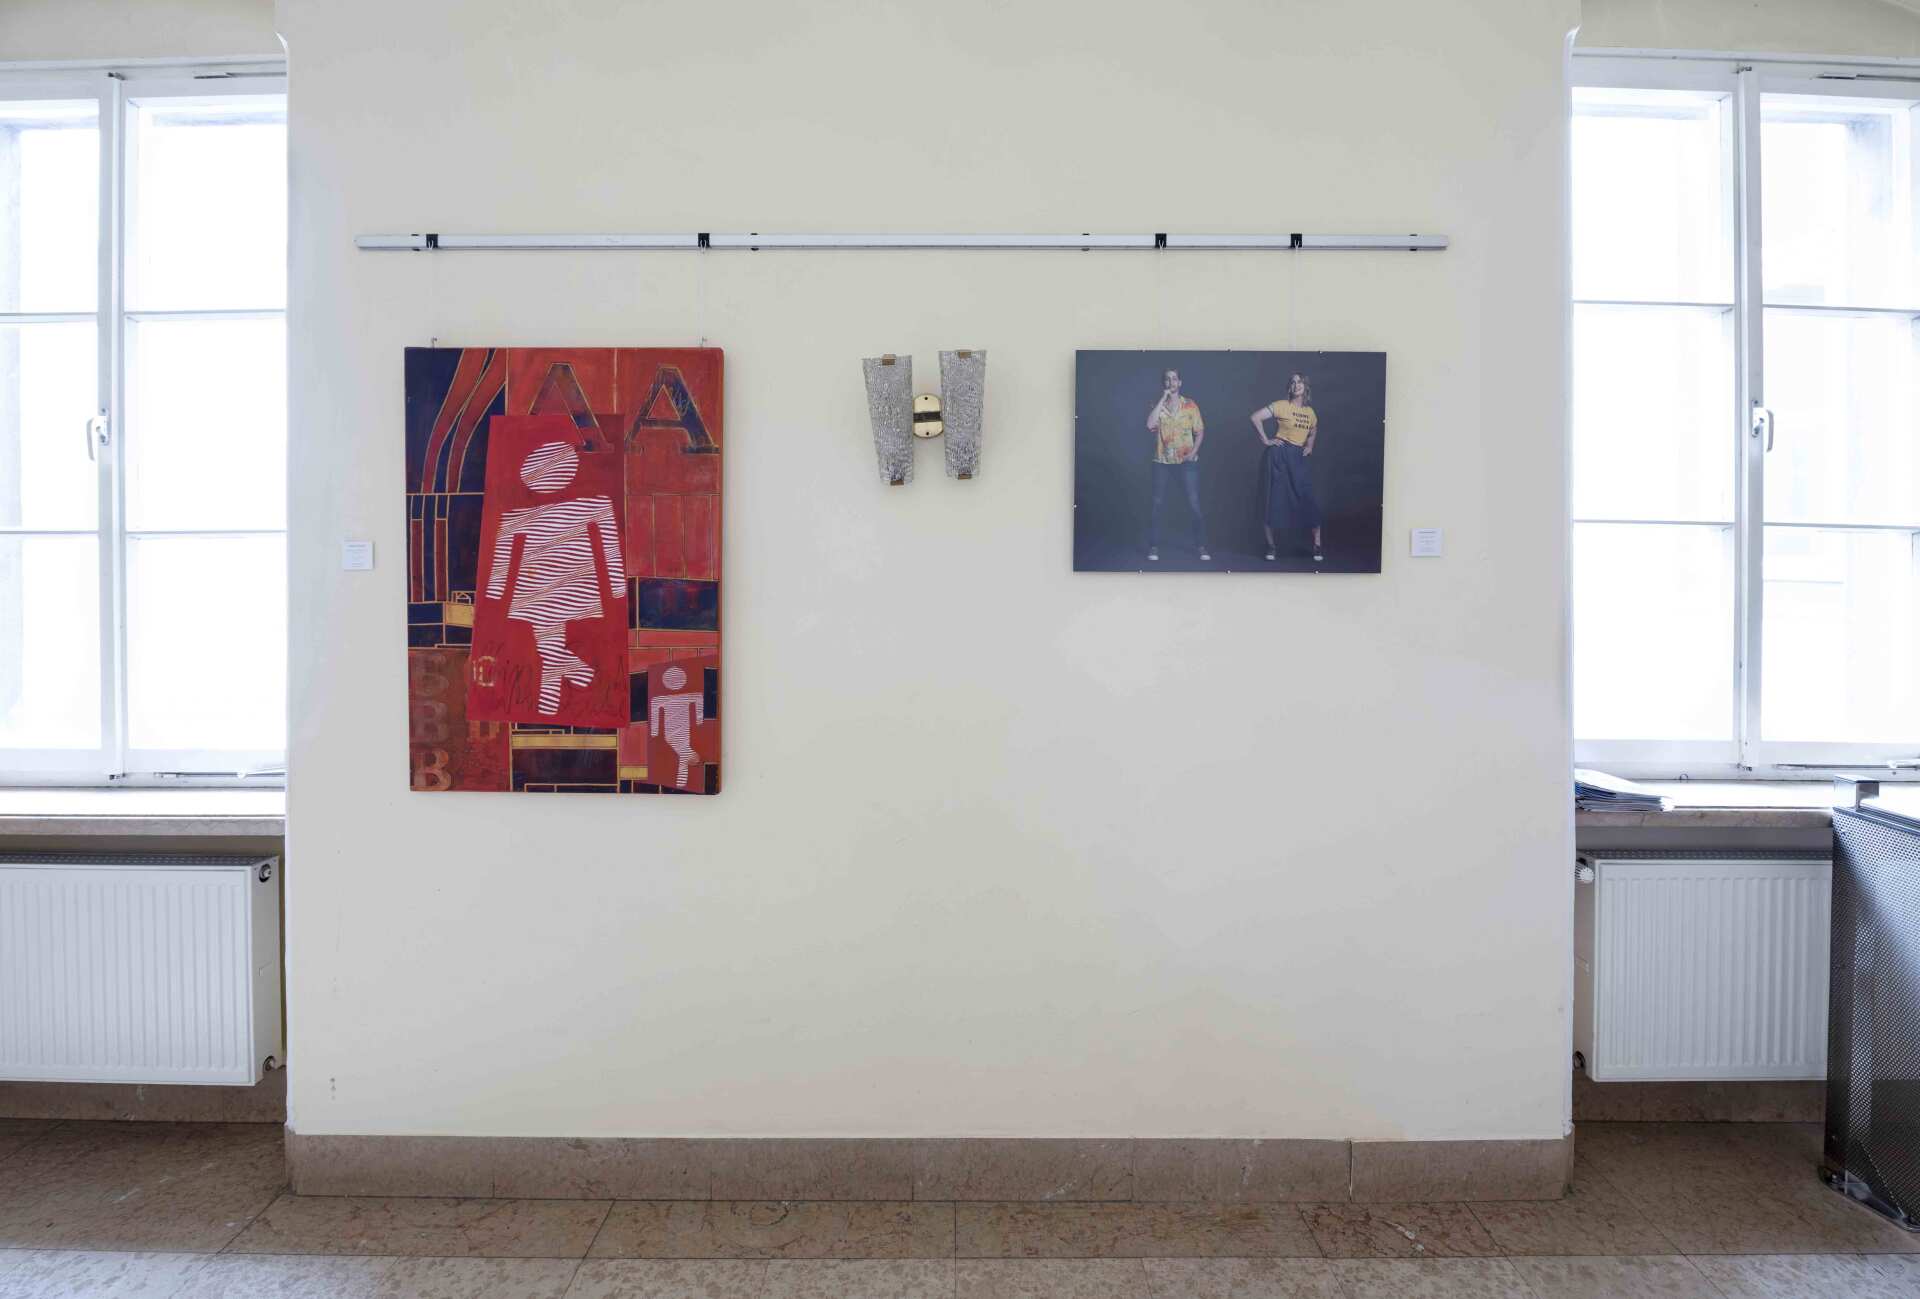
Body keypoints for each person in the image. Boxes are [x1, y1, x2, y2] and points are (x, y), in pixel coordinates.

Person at [481, 441, 625, 716]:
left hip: (546, 587)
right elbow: (609, 545)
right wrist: (616, 585)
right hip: (560, 586)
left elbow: (608, 544)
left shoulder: (521, 514)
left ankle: (560, 693)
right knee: (549, 647)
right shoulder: (592, 505)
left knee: (548, 646)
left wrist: (496, 593)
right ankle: (560, 693)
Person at [1250, 373, 1323, 563]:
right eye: (1293, 382)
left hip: (1297, 458)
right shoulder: (1281, 405)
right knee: (1271, 501)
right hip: (1278, 457)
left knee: (1308, 499)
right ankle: (1271, 546)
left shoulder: (1310, 412)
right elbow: (1255, 417)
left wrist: (1310, 446)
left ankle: (1317, 544)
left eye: (1300, 382)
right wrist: (1266, 440)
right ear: (1289, 387)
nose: (1296, 385)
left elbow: (1313, 430)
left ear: (1305, 387)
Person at [1145, 369, 1209, 563]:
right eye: (1167, 379)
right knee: (1157, 504)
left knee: (1193, 503)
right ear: (1164, 383)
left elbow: (1200, 431)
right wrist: (1162, 398)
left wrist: (1194, 451)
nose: (1171, 382)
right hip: (1162, 461)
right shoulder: (1157, 405)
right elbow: (1150, 425)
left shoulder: (1190, 405)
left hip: (1186, 461)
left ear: (1180, 382)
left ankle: (1201, 546)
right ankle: (1153, 546)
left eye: (1174, 379)